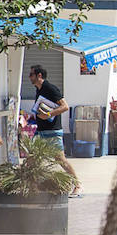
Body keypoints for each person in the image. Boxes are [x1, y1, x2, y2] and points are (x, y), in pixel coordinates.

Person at [27, 64, 81, 197]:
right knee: (32, 159)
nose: (29, 77)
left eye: (31, 74)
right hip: (41, 131)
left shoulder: (50, 88)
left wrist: (49, 114)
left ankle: (78, 185)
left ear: (39, 76)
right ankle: (32, 187)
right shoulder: (38, 90)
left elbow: (65, 106)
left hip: (52, 131)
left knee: (60, 160)